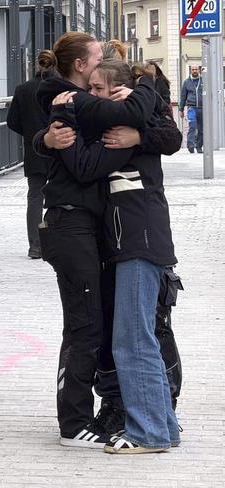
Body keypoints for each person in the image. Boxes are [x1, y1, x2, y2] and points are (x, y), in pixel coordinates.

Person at [32, 32, 158, 449]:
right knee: (84, 327)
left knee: (92, 323)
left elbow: (165, 133)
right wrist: (127, 131)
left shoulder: (85, 103)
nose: (105, 57)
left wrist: (138, 132)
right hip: (70, 225)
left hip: (89, 228)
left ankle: (102, 410)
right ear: (82, 67)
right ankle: (73, 423)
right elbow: (85, 167)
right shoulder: (69, 102)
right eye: (98, 56)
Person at [48, 59, 181, 453]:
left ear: (118, 92)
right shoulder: (126, 125)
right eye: (88, 87)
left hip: (139, 239)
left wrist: (137, 115)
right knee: (138, 337)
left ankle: (148, 433)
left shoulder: (125, 130)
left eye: (98, 88)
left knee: (132, 339)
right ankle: (164, 427)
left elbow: (165, 136)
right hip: (133, 240)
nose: (91, 95)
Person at [7, 67, 51, 259]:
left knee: (35, 196)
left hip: (34, 149)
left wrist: (30, 134)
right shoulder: (58, 88)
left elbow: (12, 121)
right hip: (60, 150)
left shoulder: (23, 89)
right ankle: (56, 242)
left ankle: (35, 245)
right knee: (64, 194)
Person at [179, 65, 203, 153]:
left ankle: (199, 146)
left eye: (196, 69)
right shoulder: (186, 82)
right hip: (191, 108)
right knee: (192, 126)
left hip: (202, 108)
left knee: (201, 129)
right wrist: (181, 109)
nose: (194, 71)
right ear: (190, 70)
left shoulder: (203, 81)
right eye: (193, 69)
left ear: (199, 70)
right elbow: (183, 96)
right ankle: (191, 145)